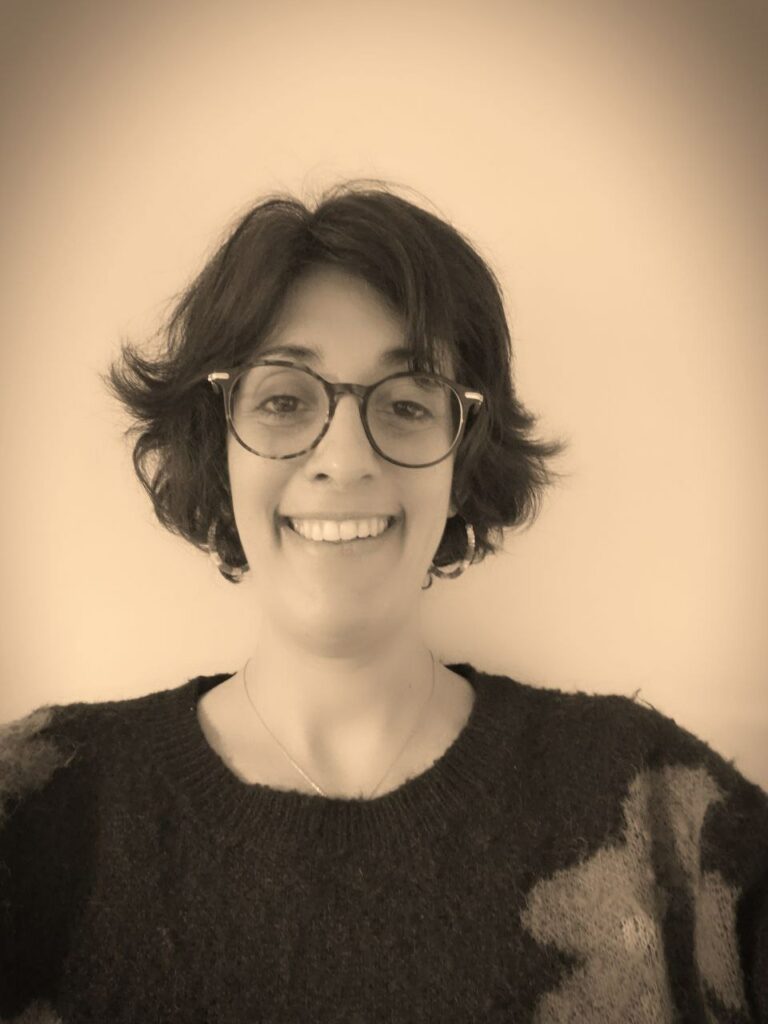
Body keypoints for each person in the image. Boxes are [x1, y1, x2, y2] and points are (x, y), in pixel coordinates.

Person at [1, 180, 766, 1023]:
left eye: (405, 404)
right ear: (218, 448)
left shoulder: (659, 814)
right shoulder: (35, 811)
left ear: (463, 460)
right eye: (284, 400)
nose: (344, 459)